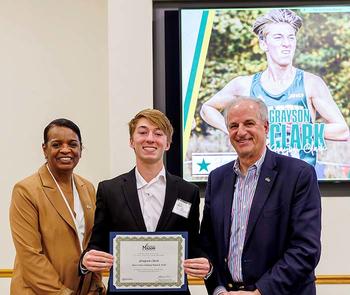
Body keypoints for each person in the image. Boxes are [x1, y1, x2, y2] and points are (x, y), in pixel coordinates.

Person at [200, 96, 322, 295]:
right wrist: (219, 290)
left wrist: (259, 292)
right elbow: (208, 244)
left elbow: (305, 249)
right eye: (233, 126)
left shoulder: (299, 174)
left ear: (266, 127)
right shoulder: (217, 178)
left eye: (249, 123)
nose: (240, 132)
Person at [80, 109, 210, 294]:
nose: (150, 138)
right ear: (132, 141)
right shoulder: (109, 190)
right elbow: (97, 244)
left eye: (158, 133)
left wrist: (206, 264)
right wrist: (86, 261)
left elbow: (193, 245)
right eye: (142, 132)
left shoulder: (188, 192)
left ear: (167, 143)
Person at [200, 8, 349, 166]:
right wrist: (235, 131)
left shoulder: (310, 83)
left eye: (291, 37)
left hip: (301, 179)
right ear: (263, 44)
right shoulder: (245, 84)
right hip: (260, 178)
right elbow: (207, 109)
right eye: (278, 37)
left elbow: (343, 131)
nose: (286, 44)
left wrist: (301, 130)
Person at [9, 118, 104, 294]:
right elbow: (30, 256)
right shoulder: (26, 190)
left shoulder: (88, 188)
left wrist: (96, 287)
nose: (66, 150)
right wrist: (62, 293)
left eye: (73, 144)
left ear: (81, 150)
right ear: (44, 149)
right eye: (56, 144)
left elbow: (93, 245)